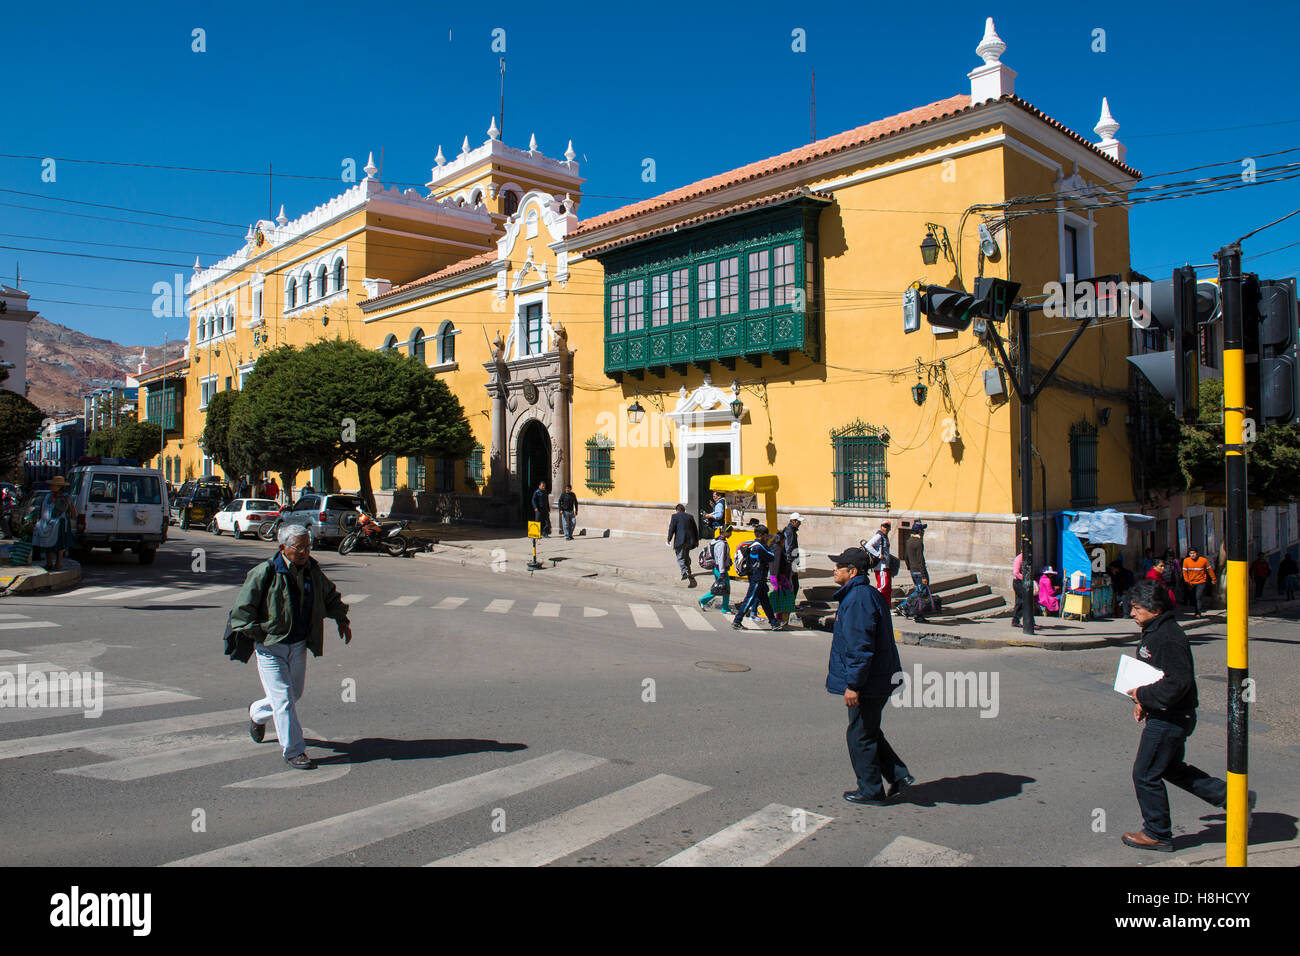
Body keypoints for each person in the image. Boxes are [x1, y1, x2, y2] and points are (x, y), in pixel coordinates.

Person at [1121, 579, 1253, 851]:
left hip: (1172, 718)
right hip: (1166, 713)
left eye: (1136, 608)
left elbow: (1177, 682)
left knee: (1145, 774)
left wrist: (1144, 696)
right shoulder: (1154, 630)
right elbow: (1155, 675)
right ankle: (1233, 797)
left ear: (1155, 609)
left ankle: (1157, 833)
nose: (1131, 614)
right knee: (1170, 768)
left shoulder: (1167, 637)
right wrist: (1142, 701)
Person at [231, 525, 352, 770]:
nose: (306, 551)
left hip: (297, 644)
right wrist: (261, 635)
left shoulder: (312, 571)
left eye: (308, 546)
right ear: (283, 548)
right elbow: (242, 613)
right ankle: (294, 751)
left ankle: (257, 713)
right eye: (300, 547)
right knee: (284, 699)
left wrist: (342, 619)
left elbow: (330, 597)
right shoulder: (264, 572)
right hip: (270, 647)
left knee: (293, 695)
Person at [825, 546, 913, 807]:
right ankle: (899, 775)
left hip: (869, 681)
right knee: (868, 729)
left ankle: (871, 790)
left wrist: (854, 685)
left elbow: (860, 648)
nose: (834, 570)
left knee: (860, 736)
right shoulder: (864, 594)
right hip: (878, 677)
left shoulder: (858, 600)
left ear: (852, 572)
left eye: (838, 566)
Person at [732, 525, 778, 630]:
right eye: (766, 536)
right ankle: (737, 620)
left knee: (765, 600)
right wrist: (769, 546)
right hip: (757, 577)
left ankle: (773, 622)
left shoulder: (754, 545)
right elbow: (771, 556)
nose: (767, 538)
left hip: (758, 577)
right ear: (761, 535)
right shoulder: (759, 547)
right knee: (750, 598)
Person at [32, 475, 76, 571]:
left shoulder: (64, 498)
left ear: (59, 486)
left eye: (53, 485)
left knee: (59, 545)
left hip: (59, 524)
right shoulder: (48, 496)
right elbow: (43, 508)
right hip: (46, 523)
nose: (51, 487)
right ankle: (49, 563)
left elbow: (61, 509)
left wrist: (56, 502)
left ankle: (58, 563)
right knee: (47, 543)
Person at [698, 525, 733, 615]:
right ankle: (724, 608)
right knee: (722, 588)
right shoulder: (721, 544)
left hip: (716, 568)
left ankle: (705, 601)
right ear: (725, 532)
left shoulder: (715, 540)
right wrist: (722, 572)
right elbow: (720, 559)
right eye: (730, 532)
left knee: (721, 587)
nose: (731, 534)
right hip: (720, 569)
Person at [902, 521, 929, 622]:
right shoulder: (918, 542)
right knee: (921, 592)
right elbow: (920, 560)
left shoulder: (909, 541)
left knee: (919, 591)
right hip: (919, 571)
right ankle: (906, 607)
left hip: (913, 571)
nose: (923, 532)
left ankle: (910, 609)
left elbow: (906, 557)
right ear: (920, 531)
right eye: (922, 530)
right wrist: (924, 576)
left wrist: (909, 567)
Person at [768, 527, 794, 627]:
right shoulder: (778, 549)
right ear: (781, 540)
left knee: (779, 595)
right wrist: (778, 579)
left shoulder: (774, 548)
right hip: (779, 577)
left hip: (776, 576)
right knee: (780, 597)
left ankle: (779, 617)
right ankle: (778, 618)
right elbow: (777, 564)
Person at [666, 503, 699, 582]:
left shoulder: (674, 516)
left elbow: (672, 529)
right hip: (689, 541)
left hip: (680, 541)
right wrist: (696, 540)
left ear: (677, 510)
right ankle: (689, 571)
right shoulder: (690, 516)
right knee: (686, 555)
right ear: (684, 510)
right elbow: (695, 529)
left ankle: (684, 572)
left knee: (680, 557)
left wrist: (669, 539)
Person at [864, 520, 893, 608]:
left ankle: (886, 607)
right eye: (884, 527)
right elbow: (868, 545)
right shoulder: (879, 536)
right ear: (881, 527)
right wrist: (878, 555)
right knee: (882, 587)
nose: (885, 529)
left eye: (887, 527)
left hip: (886, 566)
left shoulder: (885, 537)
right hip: (881, 567)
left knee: (888, 589)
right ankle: (872, 604)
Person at [1180, 548, 1216, 617]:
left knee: (1198, 596)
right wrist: (1187, 581)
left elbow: (1209, 570)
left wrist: (1213, 579)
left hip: (1201, 582)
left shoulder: (1203, 560)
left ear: (1197, 553)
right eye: (1191, 553)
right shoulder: (1186, 561)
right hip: (1191, 582)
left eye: (1194, 553)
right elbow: (1184, 572)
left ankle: (1198, 612)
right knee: (1193, 598)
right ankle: (1196, 610)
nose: (1192, 555)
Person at [781, 513, 803, 601]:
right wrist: (791, 564)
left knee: (793, 585)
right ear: (793, 521)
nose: (800, 523)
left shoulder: (791, 530)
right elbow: (789, 547)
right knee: (793, 585)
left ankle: (790, 604)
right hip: (790, 562)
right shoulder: (790, 531)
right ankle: (789, 604)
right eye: (798, 521)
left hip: (791, 561)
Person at [1010, 550, 1026, 627]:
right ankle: (1015, 620)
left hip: (1023, 582)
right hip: (1018, 582)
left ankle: (1027, 620)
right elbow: (1016, 572)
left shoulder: (1026, 558)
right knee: (1021, 601)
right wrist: (1025, 578)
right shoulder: (1019, 558)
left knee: (1025, 601)